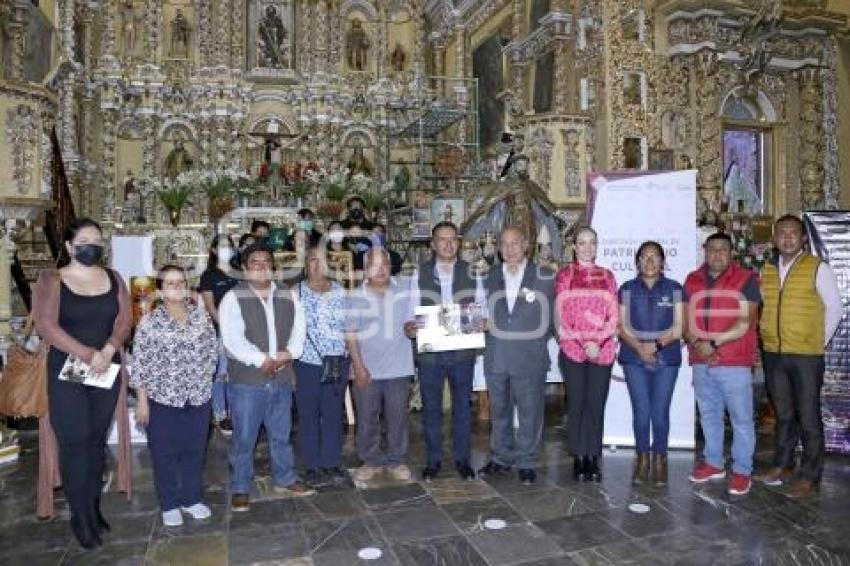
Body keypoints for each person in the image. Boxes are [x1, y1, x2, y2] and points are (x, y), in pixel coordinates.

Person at [33, 218, 131, 549]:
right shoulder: (53, 280)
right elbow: (46, 326)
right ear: (70, 246)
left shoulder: (114, 278)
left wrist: (108, 349)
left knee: (94, 441)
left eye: (98, 240)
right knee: (75, 443)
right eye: (86, 240)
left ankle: (92, 507)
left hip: (105, 366)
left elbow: (123, 320)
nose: (93, 245)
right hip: (68, 370)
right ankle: (80, 516)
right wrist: (88, 353)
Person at [219, 243, 314, 512]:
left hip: (282, 377)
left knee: (281, 434)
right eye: (255, 262)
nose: (262, 267)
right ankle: (240, 486)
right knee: (245, 437)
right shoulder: (233, 297)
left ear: (273, 266)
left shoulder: (287, 294)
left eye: (266, 262)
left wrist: (289, 353)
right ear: (245, 269)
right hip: (248, 381)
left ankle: (285, 477)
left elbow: (299, 328)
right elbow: (232, 340)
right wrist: (262, 360)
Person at [755, 215, 842, 497]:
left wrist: (817, 343)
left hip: (806, 355)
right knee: (783, 414)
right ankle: (782, 464)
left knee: (808, 415)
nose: (787, 238)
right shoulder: (766, 270)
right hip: (774, 353)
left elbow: (835, 309)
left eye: (793, 233)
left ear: (803, 238)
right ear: (774, 239)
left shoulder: (818, 268)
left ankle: (810, 474)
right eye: (782, 233)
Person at [130, 265, 218, 527]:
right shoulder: (150, 321)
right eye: (170, 283)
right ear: (160, 289)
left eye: (180, 282)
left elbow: (212, 353)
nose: (177, 286)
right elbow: (141, 363)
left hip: (198, 398)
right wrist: (142, 401)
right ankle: (169, 503)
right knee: (164, 454)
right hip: (163, 399)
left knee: (194, 450)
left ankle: (191, 499)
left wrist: (203, 381)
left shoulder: (201, 317)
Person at [684, 232, 760, 496]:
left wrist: (712, 344)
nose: (716, 254)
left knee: (741, 419)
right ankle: (714, 462)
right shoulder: (692, 279)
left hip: (734, 361)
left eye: (722, 249)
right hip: (700, 360)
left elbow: (745, 320)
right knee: (709, 415)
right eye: (712, 249)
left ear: (731, 253)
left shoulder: (746, 279)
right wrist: (697, 344)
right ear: (705, 251)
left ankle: (742, 471)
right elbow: (683, 320)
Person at [478, 226, 555, 485]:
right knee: (499, 411)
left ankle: (527, 461)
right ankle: (501, 458)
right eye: (504, 244)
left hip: (529, 357)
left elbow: (554, 319)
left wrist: (534, 340)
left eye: (515, 243)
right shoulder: (488, 278)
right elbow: (477, 312)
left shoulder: (544, 277)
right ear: (498, 248)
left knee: (530, 413)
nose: (509, 249)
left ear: (526, 246)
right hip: (497, 356)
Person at [412, 222, 483, 481]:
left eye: (453, 239)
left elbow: (481, 305)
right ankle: (433, 461)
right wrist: (411, 325)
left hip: (462, 352)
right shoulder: (418, 273)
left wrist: (481, 320)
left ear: (459, 242)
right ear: (432, 244)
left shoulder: (471, 272)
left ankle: (462, 460)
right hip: (430, 351)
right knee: (431, 408)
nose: (448, 244)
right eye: (442, 239)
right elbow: (411, 309)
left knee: (463, 408)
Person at [617, 241, 684, 486]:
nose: (649, 261)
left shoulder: (675, 288)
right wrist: (639, 348)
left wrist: (654, 347)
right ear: (637, 262)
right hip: (634, 358)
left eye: (655, 256)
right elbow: (621, 327)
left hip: (666, 358)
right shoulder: (626, 288)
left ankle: (660, 459)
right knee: (641, 411)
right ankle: (642, 457)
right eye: (644, 257)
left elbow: (679, 328)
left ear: (663, 262)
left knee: (660, 411)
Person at [348, 247, 417, 482]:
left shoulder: (405, 289)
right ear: (366, 269)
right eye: (374, 265)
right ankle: (371, 460)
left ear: (391, 266)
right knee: (367, 417)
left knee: (398, 416)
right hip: (366, 369)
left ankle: (397, 459)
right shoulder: (355, 297)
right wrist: (358, 367)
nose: (380, 269)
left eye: (385, 264)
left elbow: (420, 313)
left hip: (399, 367)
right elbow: (351, 334)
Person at [555, 227, 618, 482]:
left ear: (597, 245)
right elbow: (562, 317)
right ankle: (578, 458)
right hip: (573, 349)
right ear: (574, 246)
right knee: (577, 404)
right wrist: (584, 342)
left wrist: (599, 341)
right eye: (582, 243)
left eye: (592, 242)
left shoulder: (608, 276)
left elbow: (614, 315)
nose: (587, 247)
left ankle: (592, 456)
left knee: (596, 405)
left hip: (602, 351)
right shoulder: (565, 276)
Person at [293, 244, 350, 486]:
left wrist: (353, 359)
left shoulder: (340, 291)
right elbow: (288, 329)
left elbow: (348, 327)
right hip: (307, 363)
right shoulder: (295, 292)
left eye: (322, 260)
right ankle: (313, 465)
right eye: (312, 260)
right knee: (308, 416)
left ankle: (331, 462)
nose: (318, 265)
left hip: (337, 362)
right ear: (306, 265)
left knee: (333, 414)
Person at [198, 234, 239, 435]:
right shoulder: (209, 275)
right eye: (221, 246)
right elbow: (210, 307)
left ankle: (235, 412)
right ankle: (220, 414)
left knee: (236, 373)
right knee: (221, 373)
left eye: (229, 246)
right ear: (213, 250)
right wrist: (226, 329)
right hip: (220, 330)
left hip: (241, 330)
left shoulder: (239, 272)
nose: (226, 249)